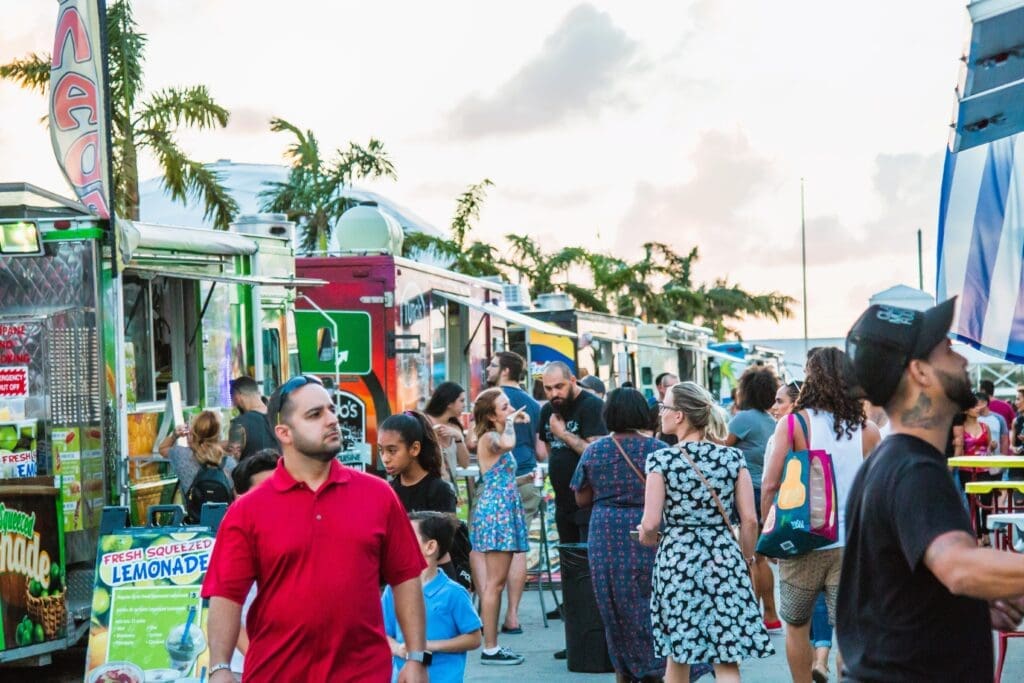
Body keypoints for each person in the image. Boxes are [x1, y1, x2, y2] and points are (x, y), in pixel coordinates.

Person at [838, 299, 1024, 680]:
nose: (963, 361)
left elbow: (894, 594)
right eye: (947, 349)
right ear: (920, 371)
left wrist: (961, 608)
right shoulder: (914, 469)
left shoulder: (887, 462)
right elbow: (958, 567)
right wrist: (969, 583)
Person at [202, 375, 429, 683]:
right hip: (276, 674)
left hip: (364, 674)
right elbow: (226, 596)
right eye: (315, 414)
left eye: (331, 409)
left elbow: (405, 577)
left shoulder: (378, 495)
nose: (332, 420)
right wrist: (220, 667)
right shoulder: (247, 511)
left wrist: (416, 657)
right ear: (284, 432)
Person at [638, 381, 773, 682]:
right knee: (726, 656)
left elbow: (650, 524)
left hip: (678, 560)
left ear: (680, 415)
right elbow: (749, 520)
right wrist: (745, 558)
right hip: (724, 559)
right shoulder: (732, 458)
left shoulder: (662, 460)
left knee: (679, 655)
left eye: (665, 407)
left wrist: (649, 539)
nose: (660, 412)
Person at [761, 347, 880, 683]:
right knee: (849, 628)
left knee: (797, 625)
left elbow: (770, 484)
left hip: (804, 539)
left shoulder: (794, 424)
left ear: (811, 379)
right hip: (853, 543)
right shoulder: (868, 430)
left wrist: (770, 537)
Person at [571, 388, 667, 683]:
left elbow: (581, 499)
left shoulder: (595, 450)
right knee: (654, 602)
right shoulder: (657, 450)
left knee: (614, 606)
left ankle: (625, 673)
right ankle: (659, 666)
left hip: (606, 535)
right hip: (649, 529)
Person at [485, 352, 546, 635]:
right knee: (519, 547)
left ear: (506, 370)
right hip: (527, 475)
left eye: (493, 364)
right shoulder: (534, 405)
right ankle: (513, 616)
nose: (488, 368)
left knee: (491, 548)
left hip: (499, 484)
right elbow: (540, 449)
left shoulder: (490, 397)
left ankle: (487, 614)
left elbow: (480, 441)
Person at [470, 387, 531, 665]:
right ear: (491, 414)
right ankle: (490, 648)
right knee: (494, 584)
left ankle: (492, 646)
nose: (510, 409)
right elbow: (506, 445)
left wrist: (525, 478)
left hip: (502, 507)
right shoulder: (490, 437)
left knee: (496, 583)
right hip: (497, 512)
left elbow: (499, 478)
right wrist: (512, 422)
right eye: (504, 406)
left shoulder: (494, 435)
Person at [383, 511, 482, 683]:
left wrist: (429, 645)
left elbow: (474, 638)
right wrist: (399, 649)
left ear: (430, 547)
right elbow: (383, 634)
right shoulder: (393, 590)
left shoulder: (454, 593)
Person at [726, 365, 780, 634]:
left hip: (748, 492)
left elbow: (723, 447)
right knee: (762, 557)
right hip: (767, 493)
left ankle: (753, 613)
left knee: (750, 557)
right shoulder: (771, 421)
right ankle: (770, 614)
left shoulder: (742, 419)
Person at [539, 361, 609, 544]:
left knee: (586, 564)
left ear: (572, 380)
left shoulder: (592, 405)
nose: (554, 394)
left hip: (589, 504)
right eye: (548, 389)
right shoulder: (548, 410)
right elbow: (550, 451)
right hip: (562, 504)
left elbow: (597, 455)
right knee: (569, 564)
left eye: (559, 386)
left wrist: (563, 434)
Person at [229, 449, 280, 680]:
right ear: (239, 497)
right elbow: (228, 617)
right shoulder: (233, 545)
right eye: (263, 492)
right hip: (250, 669)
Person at [379, 412, 457, 514]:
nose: (385, 459)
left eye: (392, 451)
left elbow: (445, 528)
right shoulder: (388, 491)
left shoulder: (439, 491)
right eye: (381, 450)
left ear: (414, 448)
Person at [159, 409, 237, 497]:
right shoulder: (230, 463)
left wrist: (174, 435)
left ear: (193, 433)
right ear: (218, 435)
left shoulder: (181, 455)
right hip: (225, 511)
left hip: (194, 510)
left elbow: (162, 448)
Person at [424, 381, 472, 485]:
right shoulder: (424, 422)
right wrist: (432, 436)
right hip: (427, 488)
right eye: (462, 401)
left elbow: (465, 464)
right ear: (449, 403)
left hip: (448, 489)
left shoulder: (455, 427)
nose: (464, 405)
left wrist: (459, 437)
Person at [227, 376, 279, 460]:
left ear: (237, 395)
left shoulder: (239, 423)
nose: (233, 404)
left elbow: (233, 460)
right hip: (279, 472)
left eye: (232, 398)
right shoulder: (279, 417)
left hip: (252, 472)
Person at [650, 373, 680, 445]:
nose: (676, 390)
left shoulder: (682, 407)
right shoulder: (654, 409)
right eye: (672, 387)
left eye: (678, 387)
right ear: (661, 388)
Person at [977, 390, 1010, 454]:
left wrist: (1003, 459)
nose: (974, 405)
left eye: (976, 403)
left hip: (996, 459)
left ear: (984, 403)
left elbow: (1004, 441)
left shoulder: (999, 418)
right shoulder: (974, 419)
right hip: (979, 459)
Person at [1013, 387, 1024, 454]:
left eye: (1018, 399)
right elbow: (1011, 446)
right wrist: (1014, 449)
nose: (1015, 403)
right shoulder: (1016, 421)